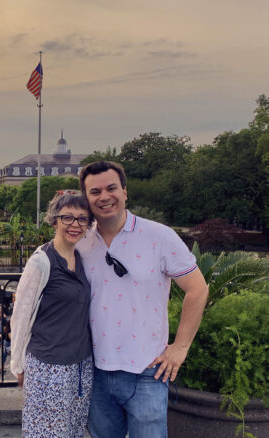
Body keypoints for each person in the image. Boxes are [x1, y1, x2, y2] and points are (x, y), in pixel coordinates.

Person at [77, 161, 209, 438]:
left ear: (125, 191)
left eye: (111, 188)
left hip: (148, 371)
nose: (104, 197)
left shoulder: (158, 236)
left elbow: (197, 289)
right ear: (87, 199)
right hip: (97, 370)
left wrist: (180, 347)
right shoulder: (81, 242)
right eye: (95, 191)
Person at [10, 191, 94, 437]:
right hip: (49, 366)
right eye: (67, 217)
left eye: (82, 219)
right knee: (47, 432)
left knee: (73, 430)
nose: (75, 224)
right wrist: (18, 365)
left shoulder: (81, 258)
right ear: (54, 220)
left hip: (80, 365)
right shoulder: (41, 262)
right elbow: (21, 315)